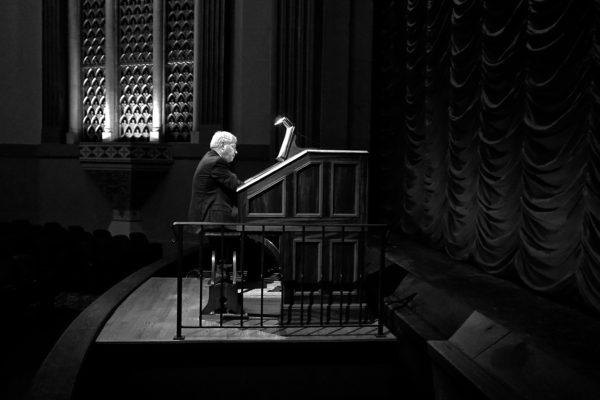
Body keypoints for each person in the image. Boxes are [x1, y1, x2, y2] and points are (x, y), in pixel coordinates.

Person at [188, 131, 243, 225]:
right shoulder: (216, 162)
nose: (236, 151)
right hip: (212, 219)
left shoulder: (210, 158)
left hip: (209, 217)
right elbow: (235, 184)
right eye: (233, 147)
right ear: (222, 145)